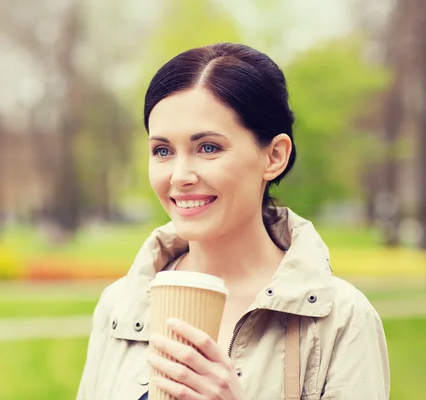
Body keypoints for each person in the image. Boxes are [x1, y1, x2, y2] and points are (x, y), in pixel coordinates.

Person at [77, 42, 390, 400]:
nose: (180, 175)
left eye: (208, 147)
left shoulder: (342, 320)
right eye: (162, 151)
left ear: (274, 156)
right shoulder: (119, 306)